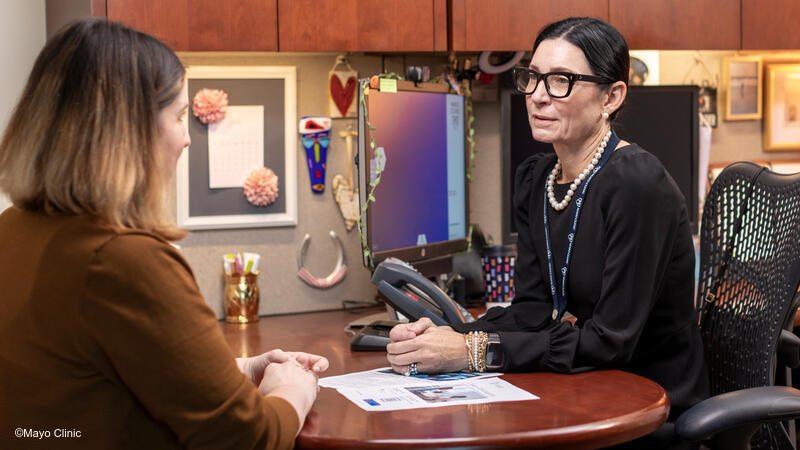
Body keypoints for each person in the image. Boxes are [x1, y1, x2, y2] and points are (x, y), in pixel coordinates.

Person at [0, 18, 327, 449]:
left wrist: (239, 370)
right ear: (128, 134)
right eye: (177, 116)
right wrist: (293, 392)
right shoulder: (125, 259)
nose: (186, 139)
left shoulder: (13, 229)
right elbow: (249, 439)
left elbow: (94, 379)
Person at [386, 17, 708, 447]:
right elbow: (532, 310)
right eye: (533, 78)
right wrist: (440, 337)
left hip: (648, 405)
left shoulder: (636, 183)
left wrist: (474, 352)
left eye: (561, 81)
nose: (538, 96)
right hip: (583, 389)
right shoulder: (536, 179)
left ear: (611, 96)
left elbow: (611, 344)